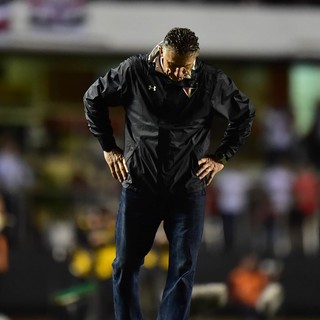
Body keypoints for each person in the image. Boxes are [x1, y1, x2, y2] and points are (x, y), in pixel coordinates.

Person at [83, 27, 255, 320]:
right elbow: (93, 98)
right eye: (173, 65)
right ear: (161, 51)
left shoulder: (210, 81)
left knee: (182, 268)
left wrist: (220, 156)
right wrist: (109, 147)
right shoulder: (134, 72)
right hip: (139, 186)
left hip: (187, 190)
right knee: (125, 265)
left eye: (185, 67)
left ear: (195, 59)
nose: (177, 73)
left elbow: (243, 114)